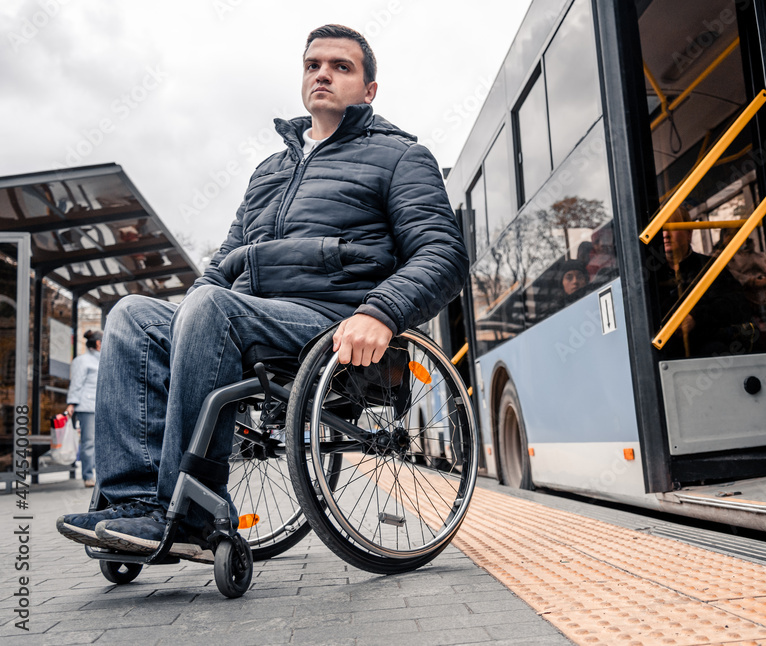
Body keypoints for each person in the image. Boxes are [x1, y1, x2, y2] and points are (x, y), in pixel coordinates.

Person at [56, 24, 469, 562]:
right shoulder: (268, 172)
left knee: (212, 308)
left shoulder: (400, 158)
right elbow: (224, 264)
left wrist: (382, 313)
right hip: (249, 311)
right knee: (134, 314)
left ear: (369, 90)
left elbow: (443, 256)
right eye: (313, 64)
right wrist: (185, 315)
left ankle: (189, 515)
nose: (323, 73)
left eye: (341, 67)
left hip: (333, 321)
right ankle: (131, 507)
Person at [657, 207, 752, 358]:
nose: (665, 235)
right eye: (660, 229)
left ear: (689, 233)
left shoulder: (709, 267)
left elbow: (736, 304)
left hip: (707, 349)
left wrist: (696, 318)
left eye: (673, 227)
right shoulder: (651, 275)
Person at [65, 330, 102, 487]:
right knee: (88, 442)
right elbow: (77, 383)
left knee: (99, 442)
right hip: (87, 406)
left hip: (100, 406)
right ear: (98, 343)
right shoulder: (82, 360)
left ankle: (99, 476)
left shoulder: (101, 360)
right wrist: (71, 404)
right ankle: (88, 476)